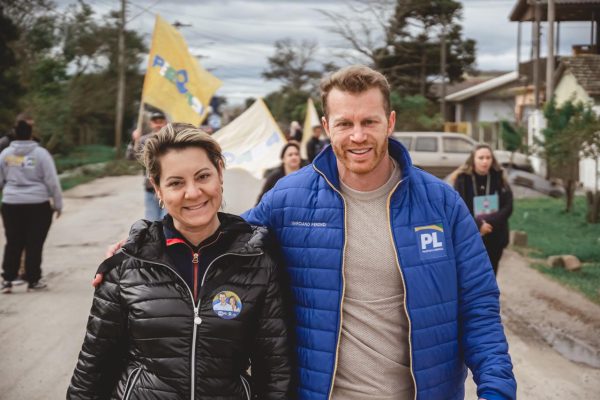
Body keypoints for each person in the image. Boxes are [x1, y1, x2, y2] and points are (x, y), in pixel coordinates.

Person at [97, 66, 516, 399]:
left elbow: (479, 306)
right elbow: (219, 238)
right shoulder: (292, 198)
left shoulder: (441, 203)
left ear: (389, 122)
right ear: (325, 126)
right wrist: (142, 242)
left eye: (369, 122)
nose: (357, 136)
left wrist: (496, 389)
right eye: (344, 123)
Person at [68, 123, 292, 399]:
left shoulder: (257, 262)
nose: (193, 192)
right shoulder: (126, 265)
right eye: (176, 183)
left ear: (220, 173)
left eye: (202, 176)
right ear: (157, 188)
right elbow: (93, 368)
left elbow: (275, 370)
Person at [0, 118, 62, 293]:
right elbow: (52, 181)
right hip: (38, 204)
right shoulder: (41, 154)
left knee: (13, 242)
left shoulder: (5, 155)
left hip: (11, 204)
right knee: (34, 243)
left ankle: (7, 280)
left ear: (14, 134)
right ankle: (33, 280)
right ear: (31, 134)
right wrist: (58, 204)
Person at [449, 144, 514, 276]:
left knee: (491, 272)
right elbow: (460, 207)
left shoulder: (499, 177)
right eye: (481, 158)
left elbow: (508, 206)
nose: (485, 161)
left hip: (495, 233)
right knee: (472, 274)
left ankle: (489, 297)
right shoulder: (462, 179)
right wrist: (479, 225)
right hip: (471, 234)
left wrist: (489, 223)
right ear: (473, 159)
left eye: (488, 158)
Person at [126, 110, 168, 221]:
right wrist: (134, 140)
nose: (158, 124)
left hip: (170, 187)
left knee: (167, 221)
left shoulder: (172, 140)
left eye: (161, 121)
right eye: (155, 121)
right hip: (151, 188)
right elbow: (130, 157)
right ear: (151, 124)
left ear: (165, 123)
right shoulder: (144, 140)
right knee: (152, 222)